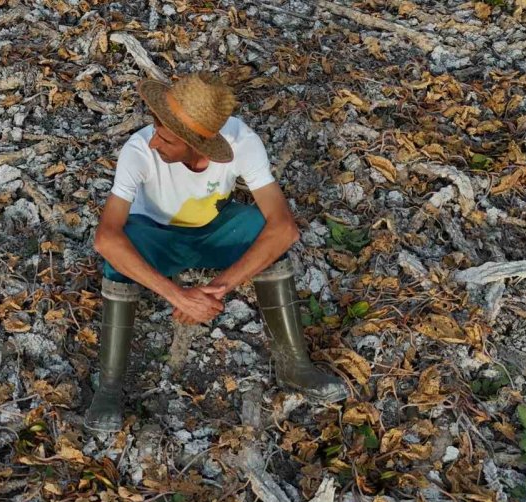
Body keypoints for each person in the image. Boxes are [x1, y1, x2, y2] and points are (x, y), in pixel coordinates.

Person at [85, 72, 348, 433]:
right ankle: (110, 386)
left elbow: (284, 227)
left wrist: (219, 289)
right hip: (157, 238)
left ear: (199, 145)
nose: (155, 142)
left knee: (260, 227)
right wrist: (178, 296)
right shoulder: (139, 149)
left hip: (212, 231)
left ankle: (294, 365)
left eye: (166, 138)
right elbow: (105, 237)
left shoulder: (242, 141)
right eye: (156, 129)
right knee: (122, 247)